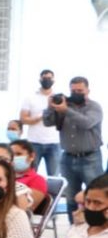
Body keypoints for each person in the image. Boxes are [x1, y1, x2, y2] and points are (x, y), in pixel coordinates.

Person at [43, 76, 103, 223]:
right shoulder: (63, 106)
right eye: (73, 90)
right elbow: (47, 122)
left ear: (88, 90)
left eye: (80, 90)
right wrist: (50, 108)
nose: (76, 93)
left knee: (97, 195)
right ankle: (73, 229)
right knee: (71, 198)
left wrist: (66, 110)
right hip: (67, 158)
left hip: (90, 158)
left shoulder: (94, 107)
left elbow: (87, 123)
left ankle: (98, 229)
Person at [21, 69, 62, 176]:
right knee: (29, 175)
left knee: (54, 177)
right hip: (34, 142)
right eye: (44, 78)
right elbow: (23, 119)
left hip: (54, 143)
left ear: (53, 80)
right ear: (40, 79)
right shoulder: (30, 98)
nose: (47, 80)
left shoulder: (59, 98)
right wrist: (42, 116)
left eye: (49, 78)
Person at [11, 139, 48, 212]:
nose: (14, 158)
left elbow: (27, 207)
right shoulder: (6, 177)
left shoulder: (37, 180)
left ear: (31, 156)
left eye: (18, 154)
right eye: (11, 155)